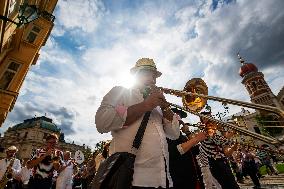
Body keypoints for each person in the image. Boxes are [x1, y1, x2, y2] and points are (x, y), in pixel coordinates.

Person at [95, 58, 180, 189]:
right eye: (147, 73)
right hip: (131, 180)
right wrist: (146, 105)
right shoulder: (120, 92)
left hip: (163, 180)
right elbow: (101, 122)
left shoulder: (157, 105)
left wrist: (165, 108)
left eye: (154, 76)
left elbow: (174, 134)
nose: (152, 79)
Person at [199, 112, 240, 189]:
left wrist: (233, 132)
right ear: (202, 121)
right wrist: (231, 139)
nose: (209, 119)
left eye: (210, 117)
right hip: (216, 163)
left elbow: (224, 145)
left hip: (222, 161)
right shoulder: (205, 130)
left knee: (232, 184)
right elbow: (220, 141)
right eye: (205, 118)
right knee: (230, 185)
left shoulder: (214, 131)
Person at [167, 119, 207, 189]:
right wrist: (196, 139)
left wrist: (188, 133)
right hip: (180, 180)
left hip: (194, 176)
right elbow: (173, 152)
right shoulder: (166, 137)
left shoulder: (182, 136)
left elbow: (196, 150)